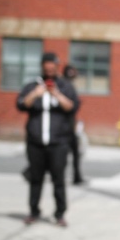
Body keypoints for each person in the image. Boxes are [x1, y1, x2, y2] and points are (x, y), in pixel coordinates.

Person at [16, 53, 80, 227]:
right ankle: (33, 211)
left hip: (58, 143)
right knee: (35, 179)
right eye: (46, 68)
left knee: (58, 179)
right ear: (42, 67)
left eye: (52, 67)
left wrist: (56, 95)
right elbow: (21, 104)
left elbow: (73, 107)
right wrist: (36, 94)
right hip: (35, 142)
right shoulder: (32, 85)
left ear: (57, 67)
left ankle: (60, 214)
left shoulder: (65, 86)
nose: (49, 71)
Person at [62, 64, 85, 185]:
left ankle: (77, 176)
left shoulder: (64, 85)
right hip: (66, 127)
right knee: (70, 152)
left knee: (69, 152)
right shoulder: (66, 86)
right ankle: (76, 177)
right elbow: (72, 106)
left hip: (67, 124)